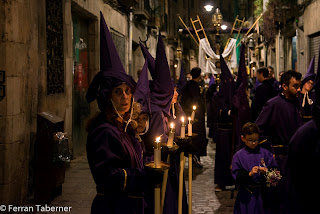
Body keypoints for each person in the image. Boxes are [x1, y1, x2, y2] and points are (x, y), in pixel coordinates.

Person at [86, 12, 149, 214]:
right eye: (118, 92)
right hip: (115, 208)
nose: (125, 96)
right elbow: (109, 177)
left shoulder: (125, 127)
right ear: (107, 97)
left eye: (128, 91)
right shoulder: (104, 132)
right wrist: (144, 175)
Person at [255, 70, 303, 172]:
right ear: (285, 86)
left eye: (300, 86)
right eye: (295, 86)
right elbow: (258, 129)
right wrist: (269, 151)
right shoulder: (273, 104)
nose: (299, 89)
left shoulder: (298, 102)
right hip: (280, 158)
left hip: (297, 156)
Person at [231, 122, 277, 214]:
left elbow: (275, 178)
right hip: (246, 197)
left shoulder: (266, 154)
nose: (254, 143)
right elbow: (235, 176)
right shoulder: (238, 156)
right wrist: (249, 174)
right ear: (243, 138)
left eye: (256, 140)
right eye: (250, 140)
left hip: (263, 196)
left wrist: (268, 173)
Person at [180, 67, 208, 168]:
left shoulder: (188, 85)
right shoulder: (193, 86)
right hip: (195, 116)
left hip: (190, 114)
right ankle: (194, 157)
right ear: (199, 75)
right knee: (195, 137)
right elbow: (195, 100)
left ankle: (195, 158)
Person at [298, 56, 316, 123]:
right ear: (304, 83)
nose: (310, 85)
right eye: (308, 82)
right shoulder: (297, 95)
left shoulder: (314, 96)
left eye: (312, 84)